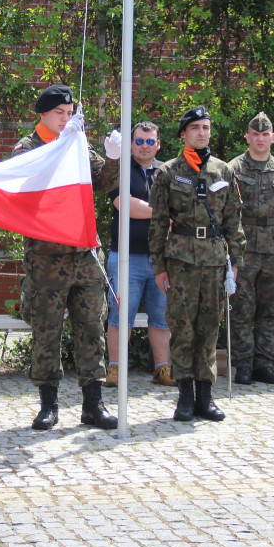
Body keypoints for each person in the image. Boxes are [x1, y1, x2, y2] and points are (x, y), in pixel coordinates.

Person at [14, 84, 121, 431]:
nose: (65, 119)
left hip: (85, 254)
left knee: (91, 328)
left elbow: (103, 181)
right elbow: (28, 188)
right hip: (47, 257)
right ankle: (49, 404)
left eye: (69, 113)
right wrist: (62, 149)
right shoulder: (28, 148)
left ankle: (94, 403)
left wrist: (115, 157)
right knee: (47, 330)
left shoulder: (77, 143)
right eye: (59, 113)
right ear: (42, 114)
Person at [148, 105, 246, 421]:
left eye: (206, 127)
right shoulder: (168, 173)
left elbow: (233, 219)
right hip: (180, 260)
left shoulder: (224, 171)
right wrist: (159, 266)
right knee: (182, 328)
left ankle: (206, 397)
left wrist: (236, 261)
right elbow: (159, 222)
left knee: (208, 328)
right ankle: (185, 397)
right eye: (195, 128)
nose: (202, 133)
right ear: (183, 134)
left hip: (215, 258)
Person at [227, 111, 274, 385]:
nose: (260, 139)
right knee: (242, 308)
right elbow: (225, 211)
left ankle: (264, 363)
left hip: (273, 250)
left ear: (272, 138)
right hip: (243, 250)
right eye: (255, 135)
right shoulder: (233, 168)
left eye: (264, 134)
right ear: (248, 137)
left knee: (269, 310)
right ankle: (243, 365)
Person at [104, 121, 172, 388]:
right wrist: (161, 212)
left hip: (161, 259)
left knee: (162, 316)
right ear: (132, 143)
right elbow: (124, 204)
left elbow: (178, 206)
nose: (144, 146)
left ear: (158, 144)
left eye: (150, 141)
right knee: (121, 316)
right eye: (139, 141)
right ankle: (115, 369)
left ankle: (162, 369)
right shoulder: (119, 169)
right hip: (126, 257)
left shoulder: (168, 172)